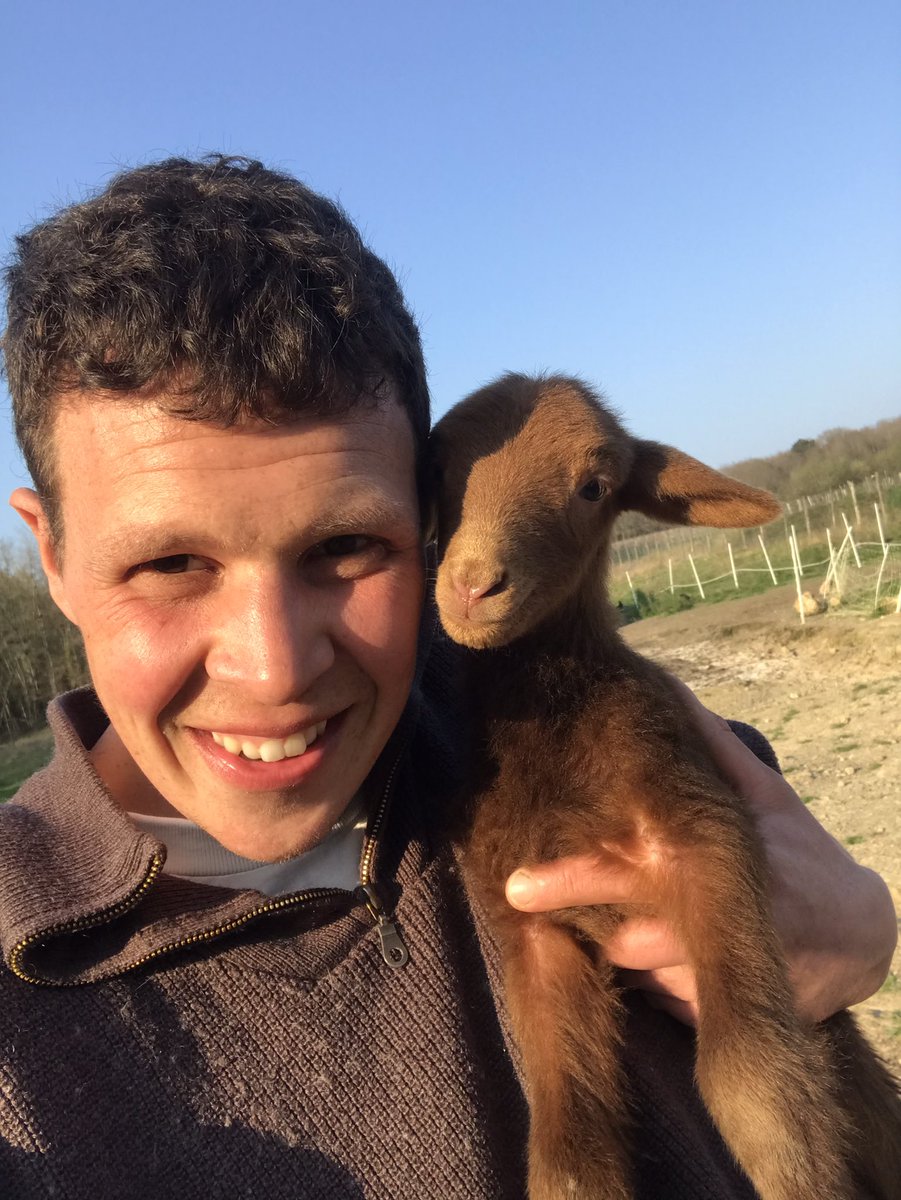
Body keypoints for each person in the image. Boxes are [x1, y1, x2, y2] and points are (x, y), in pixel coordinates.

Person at [0, 155, 894, 1200]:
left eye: (343, 546)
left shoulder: (536, 762)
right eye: (169, 564)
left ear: (425, 523)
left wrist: (841, 929)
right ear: (50, 555)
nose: (275, 666)